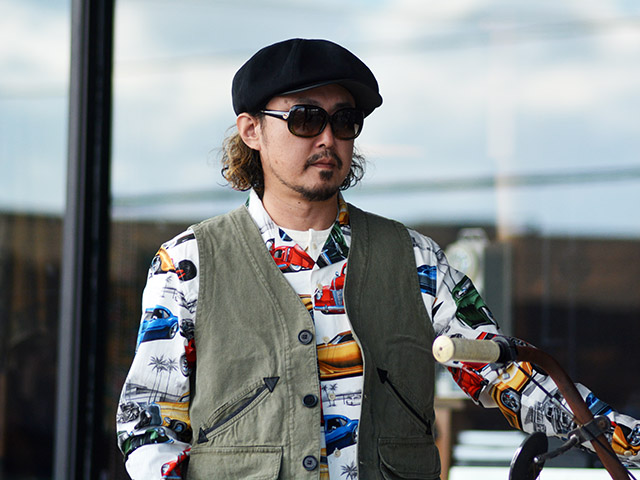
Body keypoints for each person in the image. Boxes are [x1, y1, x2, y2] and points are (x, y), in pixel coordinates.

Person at [116, 38, 640, 479]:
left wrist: (621, 440)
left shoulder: (415, 259)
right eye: (305, 119)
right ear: (251, 130)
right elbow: (148, 422)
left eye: (344, 120)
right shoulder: (189, 263)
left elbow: (503, 372)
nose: (327, 137)